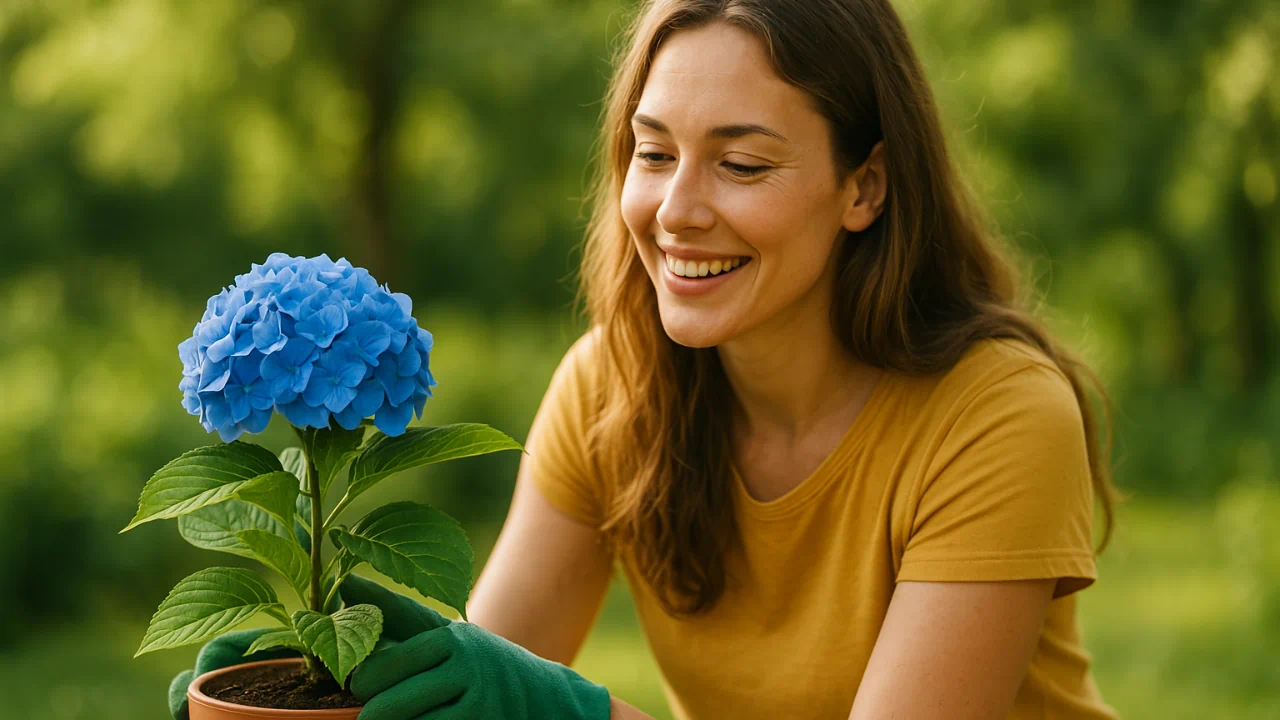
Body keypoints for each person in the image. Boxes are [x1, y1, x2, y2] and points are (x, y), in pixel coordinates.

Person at [171, 0, 1123, 718]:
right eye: (654, 153)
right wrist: (312, 685)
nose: (675, 210)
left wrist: (564, 711)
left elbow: (523, 700)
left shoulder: (997, 414)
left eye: (741, 165)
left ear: (864, 185)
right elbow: (484, 673)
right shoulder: (611, 389)